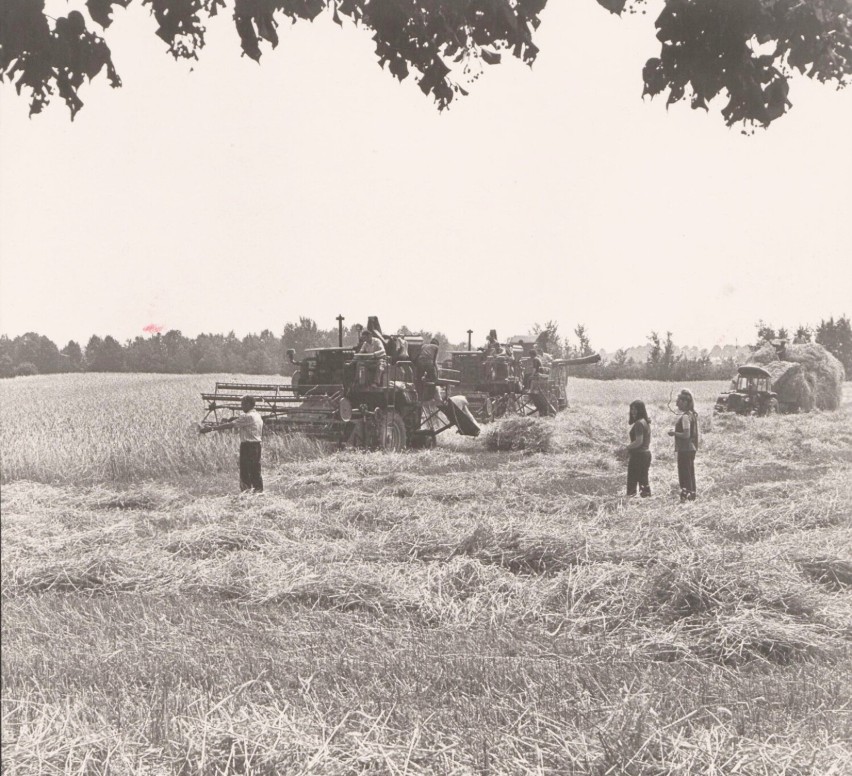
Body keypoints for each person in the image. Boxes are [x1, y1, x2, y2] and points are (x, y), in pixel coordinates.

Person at [200, 395, 264, 493]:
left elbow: (231, 424)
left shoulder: (247, 416)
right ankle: (259, 491)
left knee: (245, 471)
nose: (241, 406)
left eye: (242, 404)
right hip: (257, 446)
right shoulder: (257, 415)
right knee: (255, 470)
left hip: (248, 446)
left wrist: (212, 428)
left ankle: (246, 493)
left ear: (248, 404)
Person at [668, 388, 698, 502]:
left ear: (685, 402)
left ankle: (686, 496)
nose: (676, 403)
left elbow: (686, 435)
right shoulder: (692, 414)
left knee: (684, 474)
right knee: (690, 473)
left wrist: (673, 433)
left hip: (685, 449)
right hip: (691, 448)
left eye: (679, 401)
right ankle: (691, 495)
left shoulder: (685, 416)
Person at [625, 399, 652, 497]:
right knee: (643, 480)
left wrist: (626, 448)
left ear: (641, 410)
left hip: (639, 455)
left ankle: (631, 501)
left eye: (636, 409)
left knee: (632, 481)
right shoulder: (645, 422)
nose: (633, 411)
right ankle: (646, 500)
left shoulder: (639, 423)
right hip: (646, 454)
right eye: (632, 409)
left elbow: (638, 441)